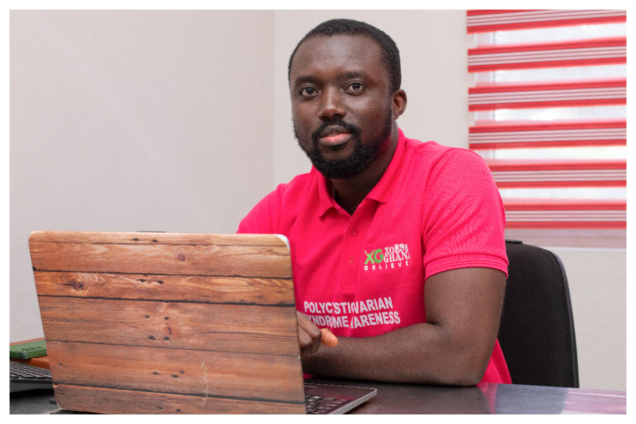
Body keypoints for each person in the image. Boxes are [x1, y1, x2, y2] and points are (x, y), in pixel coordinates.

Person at [237, 18, 511, 385]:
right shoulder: (275, 213)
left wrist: (303, 351)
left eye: (354, 87)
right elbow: (224, 333)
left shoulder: (452, 177)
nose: (329, 107)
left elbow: (458, 356)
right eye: (308, 91)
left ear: (396, 104)